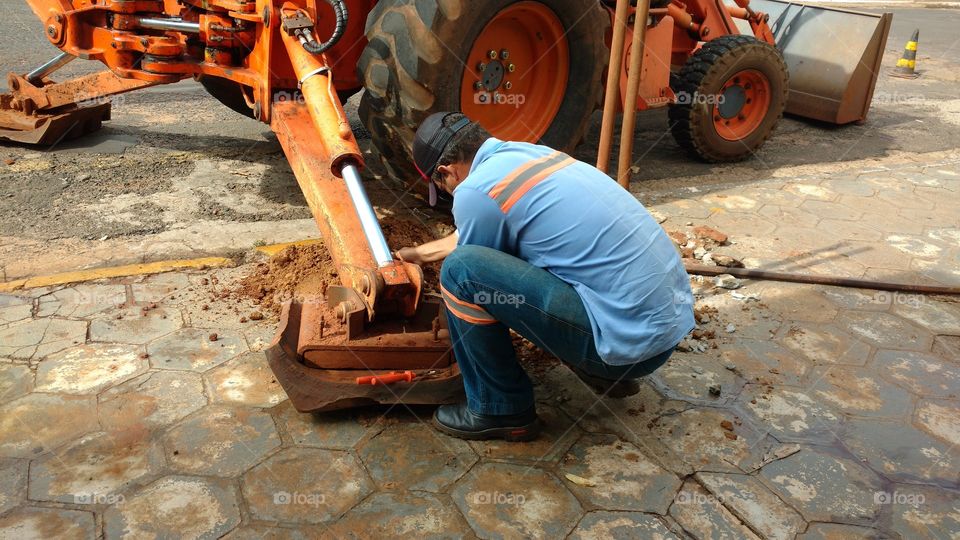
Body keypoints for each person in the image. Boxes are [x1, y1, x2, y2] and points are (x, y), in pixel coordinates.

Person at [396, 112, 694, 442]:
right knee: (531, 255)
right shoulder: (526, 155)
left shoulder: (475, 191)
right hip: (664, 331)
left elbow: (477, 263)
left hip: (627, 349)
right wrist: (417, 254)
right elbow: (475, 232)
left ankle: (500, 408)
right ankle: (598, 366)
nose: (450, 196)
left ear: (446, 172)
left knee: (461, 274)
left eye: (443, 189)